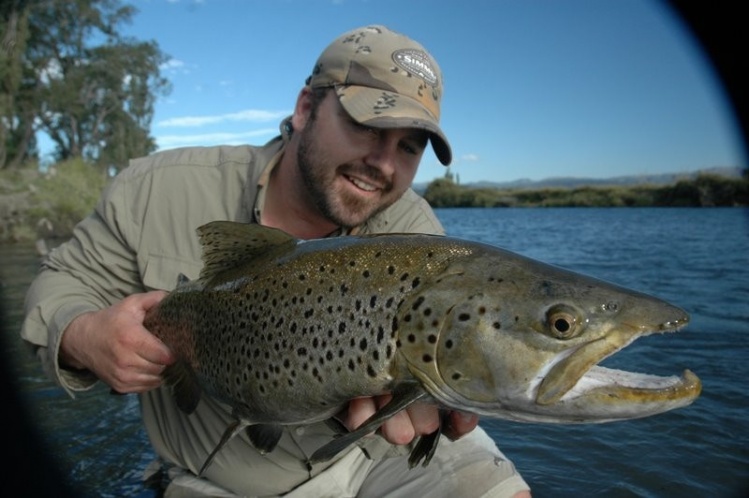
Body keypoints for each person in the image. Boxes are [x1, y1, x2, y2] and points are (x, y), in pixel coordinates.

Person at [21, 25, 532, 497]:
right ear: (306, 108)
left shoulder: (417, 237)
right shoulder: (158, 189)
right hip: (213, 479)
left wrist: (441, 405)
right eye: (368, 126)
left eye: (409, 146)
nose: (383, 163)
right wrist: (84, 335)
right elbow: (62, 285)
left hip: (374, 455)